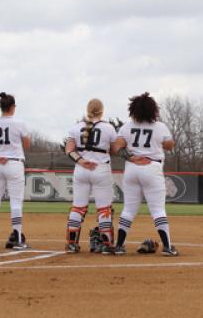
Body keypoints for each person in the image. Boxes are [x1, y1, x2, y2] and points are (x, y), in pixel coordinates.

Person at [112, 92, 178, 256]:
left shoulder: (127, 127)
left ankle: (119, 246)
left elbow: (116, 147)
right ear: (152, 110)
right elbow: (169, 145)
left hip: (132, 168)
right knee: (157, 210)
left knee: (128, 209)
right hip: (152, 167)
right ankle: (168, 247)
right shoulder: (160, 126)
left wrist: (132, 157)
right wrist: (165, 141)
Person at [64, 99, 118, 254]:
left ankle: (71, 244)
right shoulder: (108, 128)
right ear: (102, 110)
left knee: (78, 207)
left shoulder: (76, 127)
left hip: (81, 170)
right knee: (104, 209)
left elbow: (69, 150)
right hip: (101, 169)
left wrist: (81, 161)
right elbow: (114, 150)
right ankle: (106, 244)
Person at [0, 92, 31, 249]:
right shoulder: (19, 123)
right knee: (15, 202)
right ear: (12, 107)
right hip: (14, 163)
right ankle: (17, 238)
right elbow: (27, 144)